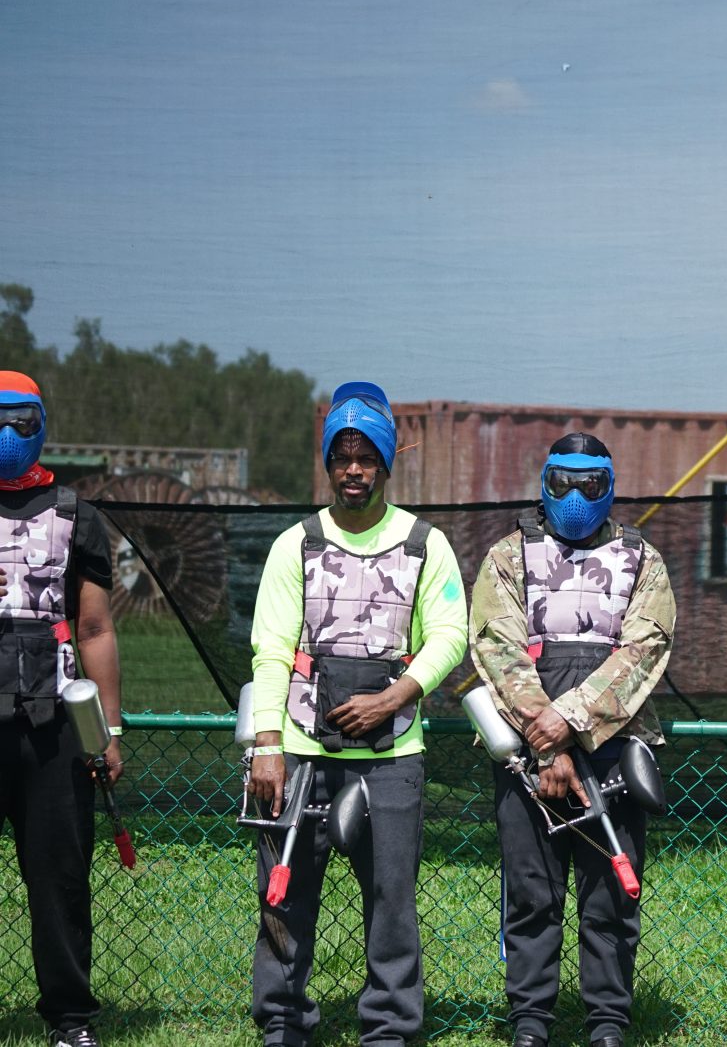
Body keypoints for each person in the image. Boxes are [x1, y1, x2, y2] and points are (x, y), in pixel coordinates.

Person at [246, 381, 467, 1047]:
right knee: (284, 894)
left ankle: (390, 1028)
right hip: (299, 751)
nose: (353, 470)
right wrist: (267, 744)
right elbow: (271, 648)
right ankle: (283, 1022)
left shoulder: (425, 544)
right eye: (341, 457)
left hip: (392, 758)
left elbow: (450, 634)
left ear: (385, 463)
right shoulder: (296, 545)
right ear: (327, 462)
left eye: (366, 457)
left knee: (391, 900)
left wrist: (395, 697)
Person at [469, 433, 675, 1047]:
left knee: (611, 895)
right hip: (527, 756)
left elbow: (645, 649)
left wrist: (569, 723)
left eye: (591, 483)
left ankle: (607, 1023)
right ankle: (530, 1023)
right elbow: (498, 647)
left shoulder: (642, 559)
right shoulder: (509, 556)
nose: (577, 496)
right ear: (545, 482)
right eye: (563, 481)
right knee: (532, 892)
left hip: (616, 750)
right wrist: (547, 745)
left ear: (610, 485)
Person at [0, 372, 122, 1047]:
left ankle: (70, 1019)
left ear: (41, 424)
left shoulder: (76, 515)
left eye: (20, 420)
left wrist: (108, 731)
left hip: (51, 726)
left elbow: (96, 627)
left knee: (60, 877)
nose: (8, 434)